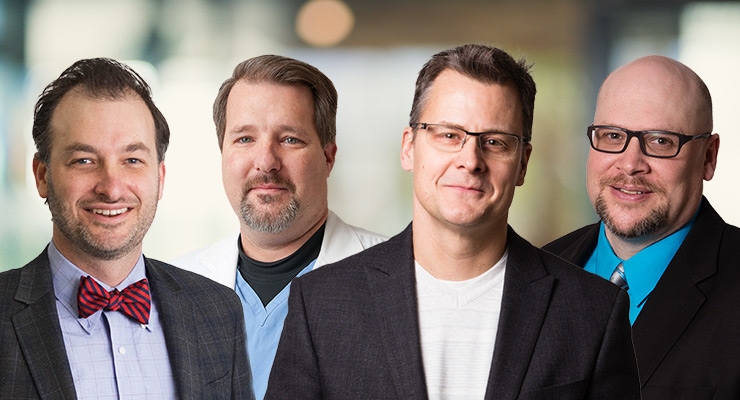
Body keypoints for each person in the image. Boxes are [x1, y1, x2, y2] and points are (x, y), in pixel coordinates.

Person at [265, 44, 640, 399]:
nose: (470, 161)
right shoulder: (320, 304)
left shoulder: (592, 312)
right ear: (409, 147)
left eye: (495, 142)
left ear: (523, 163)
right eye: (449, 135)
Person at [0, 58, 252, 399]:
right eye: (84, 160)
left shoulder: (219, 311)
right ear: (42, 176)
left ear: (159, 178)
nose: (112, 187)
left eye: (132, 160)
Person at [172, 55, 386, 400]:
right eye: (244, 139)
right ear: (222, 153)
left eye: (290, 139)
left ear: (328, 157)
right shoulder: (170, 292)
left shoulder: (401, 281)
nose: (266, 162)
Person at [543, 55, 740, 399]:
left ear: (708, 157)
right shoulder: (536, 271)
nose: (630, 164)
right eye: (612, 135)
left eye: (661, 141)